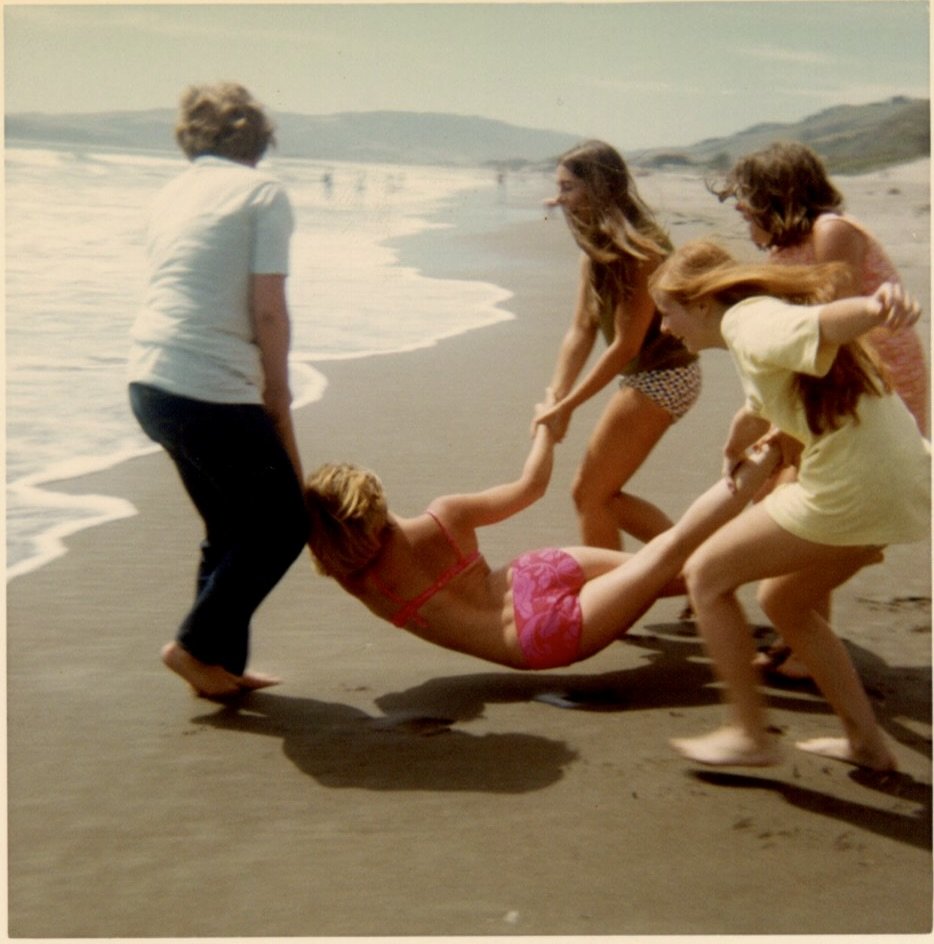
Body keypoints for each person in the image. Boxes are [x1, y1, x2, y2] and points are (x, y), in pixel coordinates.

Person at [648, 240, 930, 771]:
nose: (664, 328)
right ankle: (866, 744)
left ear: (703, 304)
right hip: (905, 478)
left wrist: (877, 307)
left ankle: (749, 735)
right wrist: (736, 444)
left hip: (855, 487)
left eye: (668, 312)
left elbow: (827, 322)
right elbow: (762, 405)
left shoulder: (750, 322)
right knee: (784, 600)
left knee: (706, 575)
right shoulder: (756, 329)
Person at [303, 401, 781, 673]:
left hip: (534, 637)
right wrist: (546, 431)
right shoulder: (443, 517)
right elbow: (531, 487)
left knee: (667, 558)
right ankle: (776, 520)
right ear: (376, 500)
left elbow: (309, 521)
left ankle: (769, 505)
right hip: (528, 576)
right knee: (668, 566)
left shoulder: (357, 581)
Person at [711, 140, 929, 680]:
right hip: (818, 382)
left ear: (776, 193)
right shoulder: (783, 249)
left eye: (746, 198)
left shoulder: (831, 230)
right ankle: (801, 634)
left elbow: (835, 321)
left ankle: (801, 632)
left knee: (805, 497)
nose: (740, 209)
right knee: (791, 494)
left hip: (871, 383)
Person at [128, 82, 309, 699]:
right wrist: (278, 394)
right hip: (207, 388)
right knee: (285, 524)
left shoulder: (171, 194)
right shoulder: (263, 192)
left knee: (229, 526)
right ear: (258, 138)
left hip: (151, 381)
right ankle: (196, 645)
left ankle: (219, 667)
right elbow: (267, 310)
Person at [534, 141, 701, 551]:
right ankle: (689, 568)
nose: (559, 199)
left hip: (666, 374)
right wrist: (557, 393)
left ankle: (623, 590)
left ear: (598, 187)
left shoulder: (638, 249)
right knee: (598, 496)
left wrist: (567, 406)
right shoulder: (595, 247)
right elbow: (581, 329)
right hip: (648, 374)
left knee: (589, 494)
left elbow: (626, 344)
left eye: (568, 187)